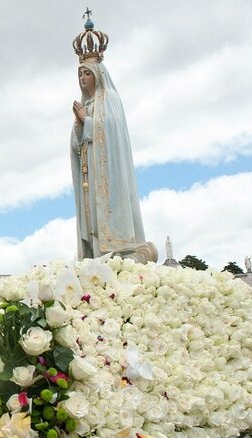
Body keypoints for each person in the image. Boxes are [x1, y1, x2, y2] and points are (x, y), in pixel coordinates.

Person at [69, 15, 157, 263]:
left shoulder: (110, 100)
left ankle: (119, 251)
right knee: (91, 220)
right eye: (80, 74)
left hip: (108, 175)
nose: (82, 78)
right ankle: (96, 254)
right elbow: (78, 144)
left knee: (105, 215)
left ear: (98, 74)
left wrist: (86, 120)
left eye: (87, 73)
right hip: (90, 176)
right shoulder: (87, 104)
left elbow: (110, 131)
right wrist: (79, 124)